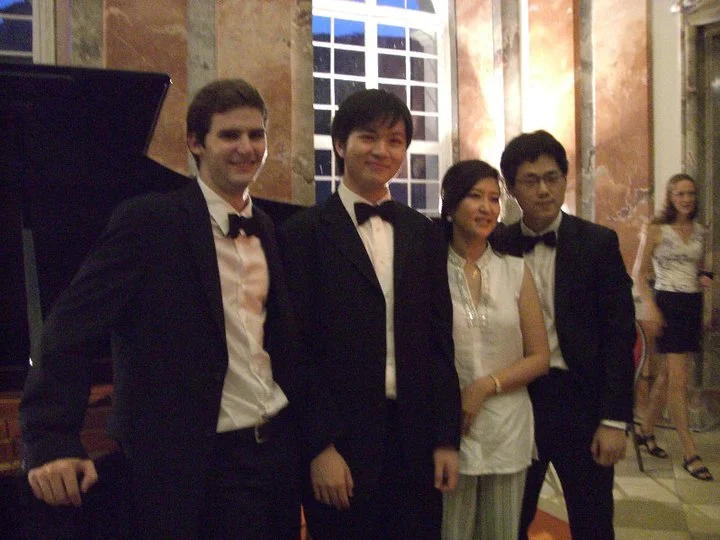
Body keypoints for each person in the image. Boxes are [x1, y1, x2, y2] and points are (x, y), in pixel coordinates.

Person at [20, 79, 324, 538]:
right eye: (229, 135)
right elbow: (69, 329)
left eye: (255, 135)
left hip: (273, 454)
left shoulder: (265, 227)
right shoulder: (150, 222)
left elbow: (281, 346)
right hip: (193, 465)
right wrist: (50, 439)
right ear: (195, 143)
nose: (246, 147)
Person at [278, 88, 461, 539]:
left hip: (416, 440)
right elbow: (293, 349)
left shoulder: (424, 233)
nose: (382, 150)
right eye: (368, 137)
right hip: (341, 442)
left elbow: (440, 342)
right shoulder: (302, 234)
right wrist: (320, 445)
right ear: (341, 144)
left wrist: (445, 438)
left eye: (395, 141)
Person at [494, 130, 636, 540]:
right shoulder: (497, 244)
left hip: (582, 401)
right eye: (531, 180)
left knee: (592, 521)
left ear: (564, 178)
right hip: (518, 400)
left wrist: (614, 419)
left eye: (552, 178)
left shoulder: (597, 243)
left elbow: (619, 335)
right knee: (511, 518)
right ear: (511, 188)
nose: (543, 190)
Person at [439, 160, 549, 540]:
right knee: (451, 532)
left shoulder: (515, 271)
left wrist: (486, 385)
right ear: (451, 203)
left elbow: (539, 356)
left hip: (507, 426)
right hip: (450, 429)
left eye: (494, 198)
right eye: (476, 196)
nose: (487, 207)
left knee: (500, 533)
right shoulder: (429, 270)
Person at [633, 173, 714, 481]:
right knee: (678, 381)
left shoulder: (700, 230)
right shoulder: (656, 229)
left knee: (669, 376)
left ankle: (645, 430)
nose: (686, 199)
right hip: (667, 303)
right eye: (680, 193)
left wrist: (706, 285)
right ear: (670, 196)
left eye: (690, 193)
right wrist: (652, 307)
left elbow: (702, 270)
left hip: (692, 304)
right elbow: (639, 274)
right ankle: (689, 451)